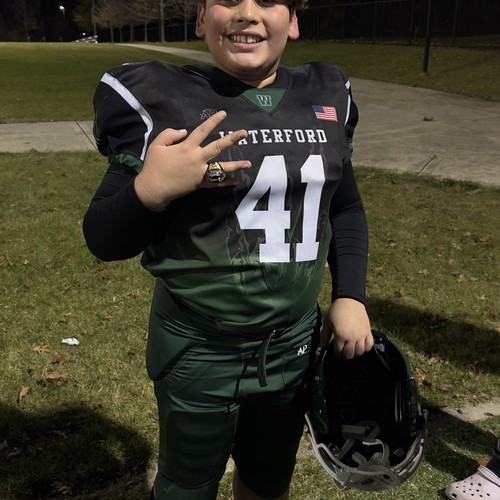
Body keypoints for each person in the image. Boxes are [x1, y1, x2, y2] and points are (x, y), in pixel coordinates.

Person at [83, 1, 373, 498]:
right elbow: (103, 238)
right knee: (187, 484)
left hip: (292, 344)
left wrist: (350, 295)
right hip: (199, 346)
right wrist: (149, 191)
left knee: (268, 478)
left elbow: (344, 208)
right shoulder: (165, 101)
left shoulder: (325, 94)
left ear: (293, 21)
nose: (247, 13)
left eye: (267, 1)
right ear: (201, 20)